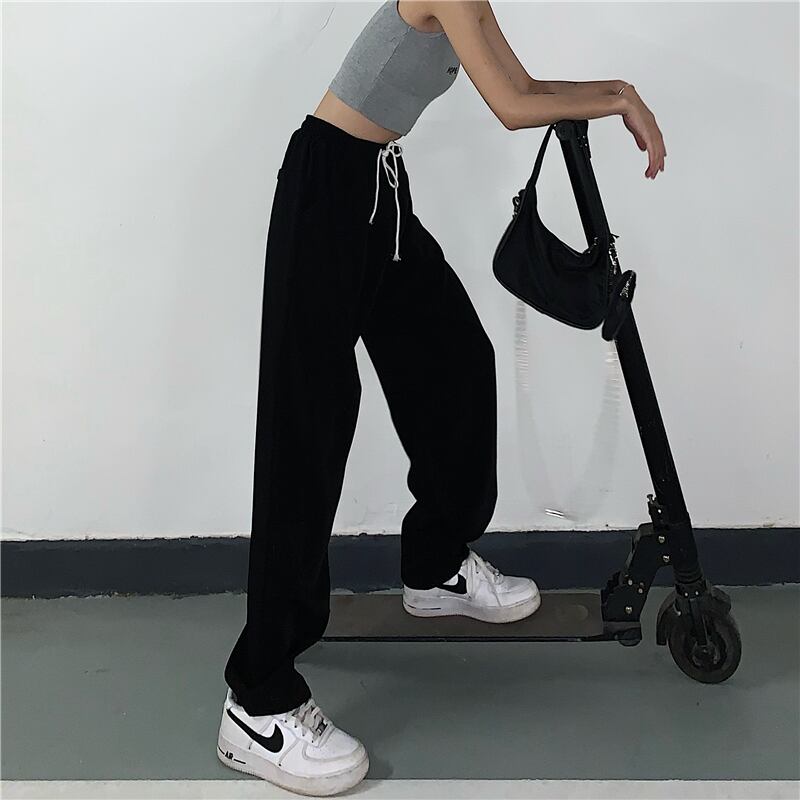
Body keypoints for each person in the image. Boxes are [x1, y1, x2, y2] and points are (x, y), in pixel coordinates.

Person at [216, 1, 666, 796]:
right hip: (327, 193)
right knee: (308, 433)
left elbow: (524, 84)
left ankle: (434, 569)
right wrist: (620, 97)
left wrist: (616, 91)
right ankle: (257, 702)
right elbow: (512, 107)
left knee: (455, 363)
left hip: (379, 194)